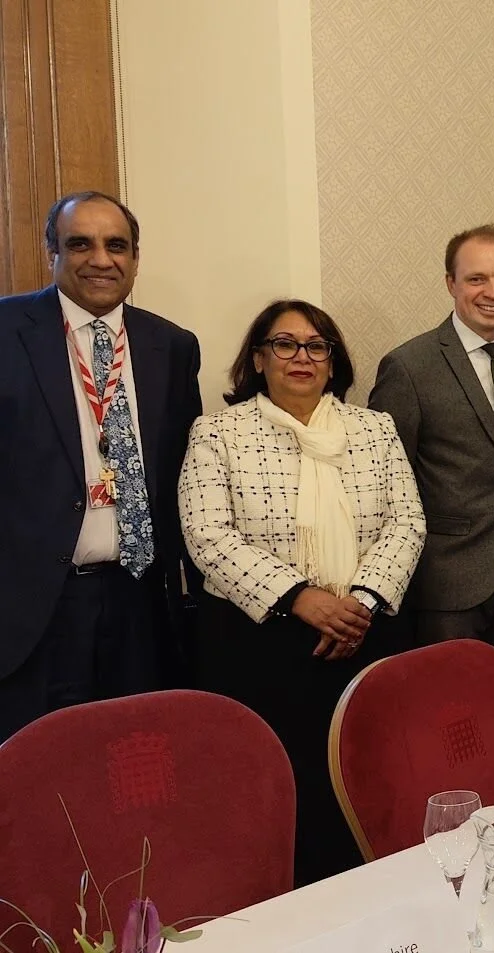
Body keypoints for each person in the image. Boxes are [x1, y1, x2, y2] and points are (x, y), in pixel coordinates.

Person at [179, 300, 424, 885]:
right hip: (262, 645)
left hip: (364, 637)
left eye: (316, 346)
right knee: (280, 790)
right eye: (284, 344)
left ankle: (374, 896)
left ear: (332, 361)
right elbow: (207, 535)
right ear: (258, 359)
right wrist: (299, 597)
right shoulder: (219, 432)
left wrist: (361, 602)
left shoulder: (374, 429)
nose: (301, 357)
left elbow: (408, 522)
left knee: (369, 779)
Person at [0, 191, 202, 742]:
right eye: (79, 244)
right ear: (52, 253)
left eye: (116, 245)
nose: (100, 259)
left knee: (133, 761)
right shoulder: (7, 331)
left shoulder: (172, 345)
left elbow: (184, 474)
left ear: (135, 257)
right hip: (36, 606)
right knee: (41, 763)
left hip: (141, 601)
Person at [367, 225, 494, 780]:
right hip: (446, 583)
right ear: (450, 282)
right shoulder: (409, 365)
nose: (492, 292)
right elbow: (387, 477)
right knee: (451, 729)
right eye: (477, 279)